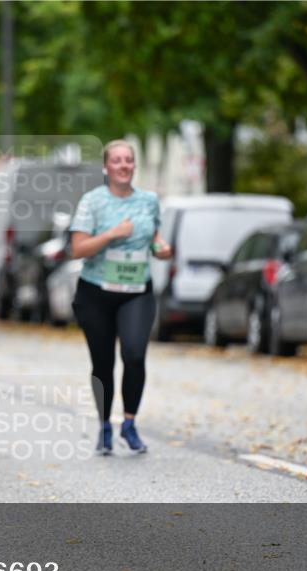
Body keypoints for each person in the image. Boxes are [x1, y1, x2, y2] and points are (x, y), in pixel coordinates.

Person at [69, 139, 173, 455]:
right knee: (103, 364)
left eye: (129, 160)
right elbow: (77, 249)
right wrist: (112, 234)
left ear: (134, 166)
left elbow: (152, 236)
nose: (124, 165)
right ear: (106, 167)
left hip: (136, 292)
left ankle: (129, 423)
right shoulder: (92, 202)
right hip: (96, 292)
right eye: (117, 160)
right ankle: (104, 426)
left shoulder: (149, 201)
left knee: (135, 354)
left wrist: (160, 247)